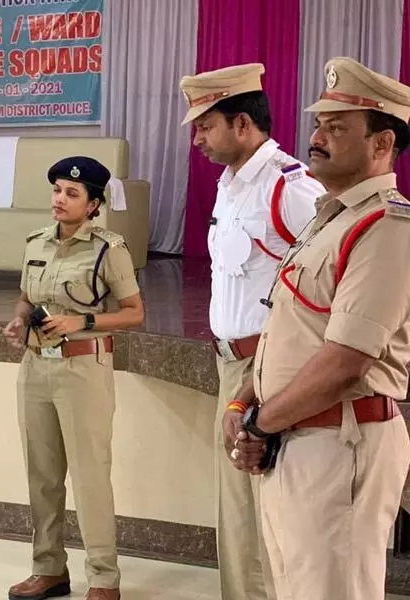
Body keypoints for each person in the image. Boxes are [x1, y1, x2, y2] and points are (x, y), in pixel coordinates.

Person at [226, 57, 410, 600]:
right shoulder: (329, 217)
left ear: (381, 145)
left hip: (341, 443)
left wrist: (260, 424)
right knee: (294, 587)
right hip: (299, 439)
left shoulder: (386, 226)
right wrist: (243, 403)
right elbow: (292, 330)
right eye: (317, 125)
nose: (317, 138)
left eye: (337, 128)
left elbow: (344, 361)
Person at [179, 63, 323, 600]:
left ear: (242, 124)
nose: (197, 139)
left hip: (272, 368)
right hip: (233, 364)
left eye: (205, 126)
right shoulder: (232, 185)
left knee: (268, 509)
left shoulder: (291, 188)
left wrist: (270, 369)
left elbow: (331, 287)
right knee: (237, 513)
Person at [3, 157, 145, 600]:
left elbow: (134, 313)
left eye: (71, 194)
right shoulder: (35, 243)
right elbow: (27, 298)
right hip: (36, 368)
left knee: (89, 477)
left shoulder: (108, 249)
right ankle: (48, 568)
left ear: (94, 204)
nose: (59, 200)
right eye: (57, 191)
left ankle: (103, 577)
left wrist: (80, 321)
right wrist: (17, 322)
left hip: (84, 369)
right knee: (41, 476)